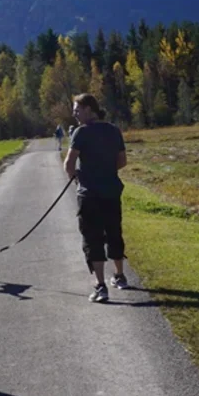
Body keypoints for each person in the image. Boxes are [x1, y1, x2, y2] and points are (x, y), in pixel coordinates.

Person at [64, 93, 130, 302]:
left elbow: (69, 164)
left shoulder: (80, 133)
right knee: (113, 232)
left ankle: (101, 286)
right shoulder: (113, 130)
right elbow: (122, 161)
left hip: (89, 193)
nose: (74, 114)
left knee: (92, 238)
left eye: (77, 110)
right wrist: (106, 170)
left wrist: (78, 178)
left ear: (89, 109)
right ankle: (119, 276)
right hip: (111, 190)